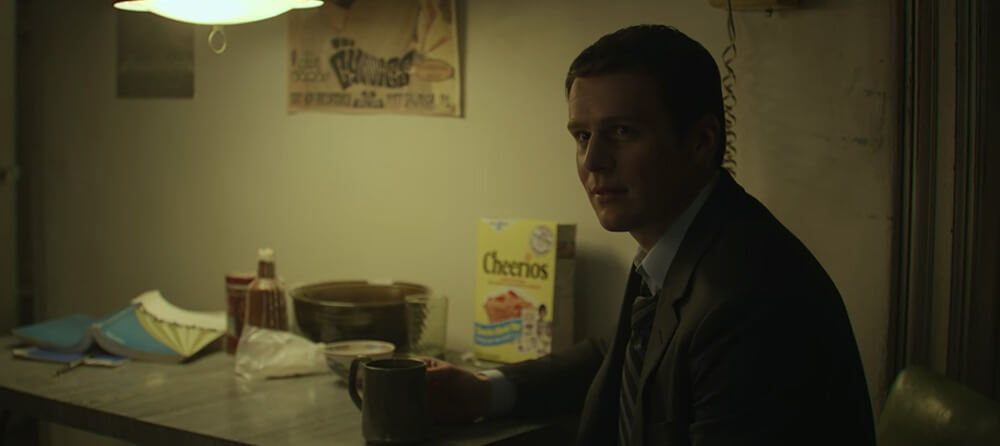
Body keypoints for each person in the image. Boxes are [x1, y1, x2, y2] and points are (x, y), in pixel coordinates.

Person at [424, 24, 876, 445]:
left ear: (701, 142)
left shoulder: (751, 300)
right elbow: (619, 356)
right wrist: (483, 391)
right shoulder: (683, 240)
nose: (593, 161)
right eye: (582, 136)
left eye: (622, 132)